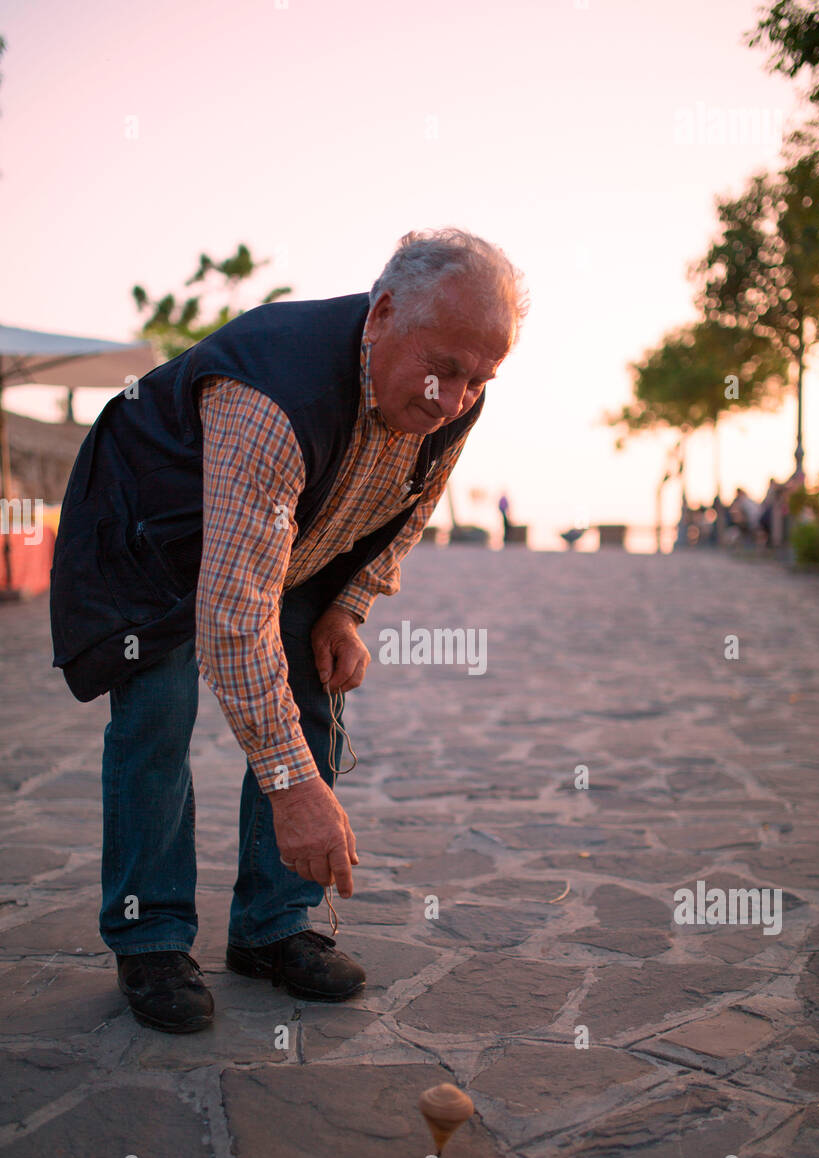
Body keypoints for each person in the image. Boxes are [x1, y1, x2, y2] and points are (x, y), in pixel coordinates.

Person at [49, 229, 527, 1032]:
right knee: (159, 715)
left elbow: (413, 506)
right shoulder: (272, 395)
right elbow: (234, 618)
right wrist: (294, 788)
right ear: (380, 317)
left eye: (480, 380)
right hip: (146, 534)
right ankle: (152, 937)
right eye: (445, 369)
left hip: (291, 535)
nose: (454, 400)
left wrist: (348, 606)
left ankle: (271, 928)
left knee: (311, 696)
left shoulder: (454, 391)